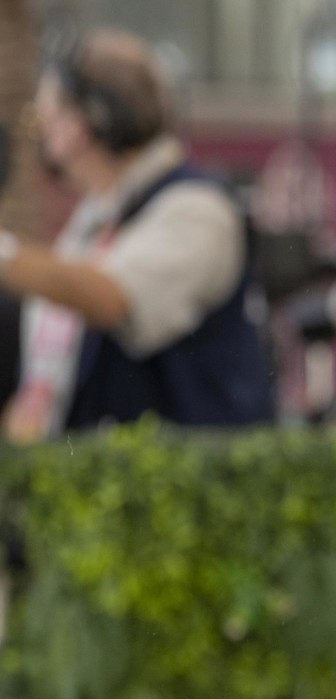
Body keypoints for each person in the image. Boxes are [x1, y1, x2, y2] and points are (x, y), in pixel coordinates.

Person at [0, 30, 273, 440]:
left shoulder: (196, 209)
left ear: (86, 122)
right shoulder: (96, 215)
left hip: (185, 491)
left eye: (45, 118)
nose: (40, 135)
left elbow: (112, 298)